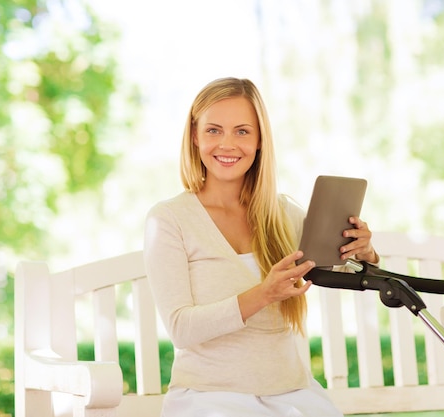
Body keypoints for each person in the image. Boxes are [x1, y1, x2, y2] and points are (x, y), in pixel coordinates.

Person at [144, 77, 380, 417]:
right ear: (195, 136)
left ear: (259, 142)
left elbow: (346, 269)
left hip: (291, 393)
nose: (227, 144)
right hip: (209, 396)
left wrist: (364, 251)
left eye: (242, 131)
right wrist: (263, 293)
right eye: (213, 130)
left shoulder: (284, 214)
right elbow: (181, 328)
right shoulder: (169, 220)